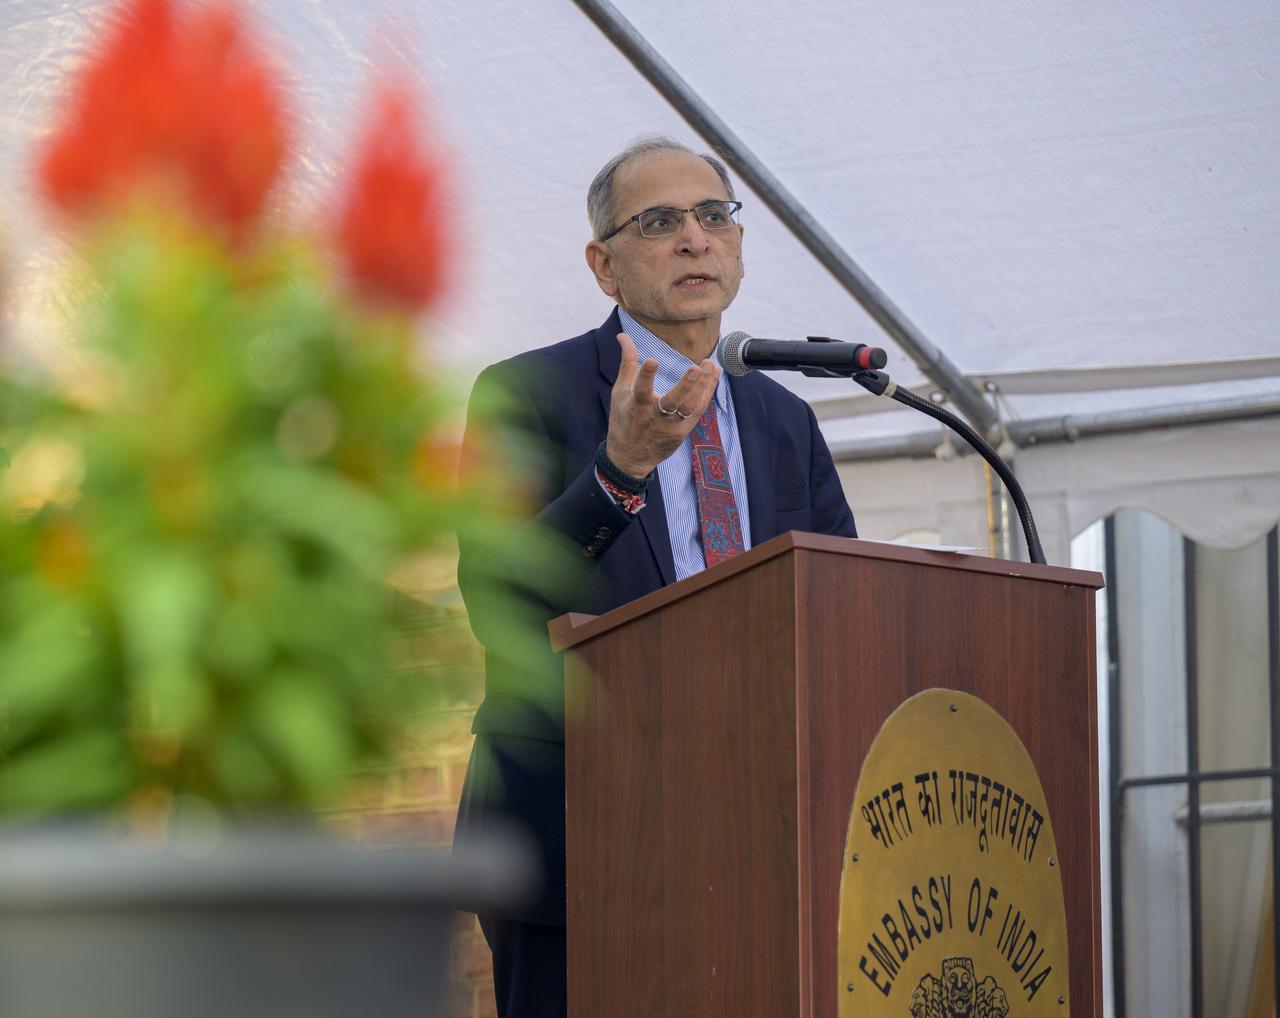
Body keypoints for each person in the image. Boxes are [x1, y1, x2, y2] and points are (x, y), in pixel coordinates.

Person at [454, 137, 857, 1018]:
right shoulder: (526, 393)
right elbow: (500, 601)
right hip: (578, 836)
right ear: (605, 265)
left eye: (715, 216)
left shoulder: (785, 419)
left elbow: (840, 612)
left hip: (753, 831)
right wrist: (619, 471)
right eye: (661, 221)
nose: (694, 239)